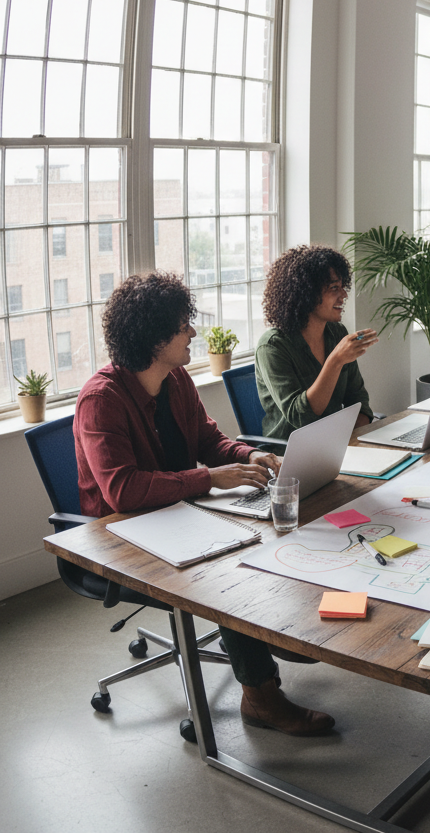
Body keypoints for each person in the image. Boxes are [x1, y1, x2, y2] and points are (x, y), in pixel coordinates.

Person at [74, 272, 335, 736]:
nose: (193, 332)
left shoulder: (175, 380)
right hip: (121, 536)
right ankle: (261, 697)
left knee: (268, 531)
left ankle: (277, 628)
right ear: (155, 338)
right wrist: (208, 478)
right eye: (183, 326)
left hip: (178, 516)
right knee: (224, 574)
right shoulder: (101, 399)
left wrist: (248, 455)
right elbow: (122, 491)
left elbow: (209, 441)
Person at [255, 245, 378, 440]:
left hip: (336, 443)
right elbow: (301, 417)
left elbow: (358, 400)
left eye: (343, 287)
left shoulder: (337, 333)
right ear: (307, 293)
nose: (344, 295)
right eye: (334, 288)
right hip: (288, 452)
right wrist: (335, 361)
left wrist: (354, 440)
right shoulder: (272, 346)